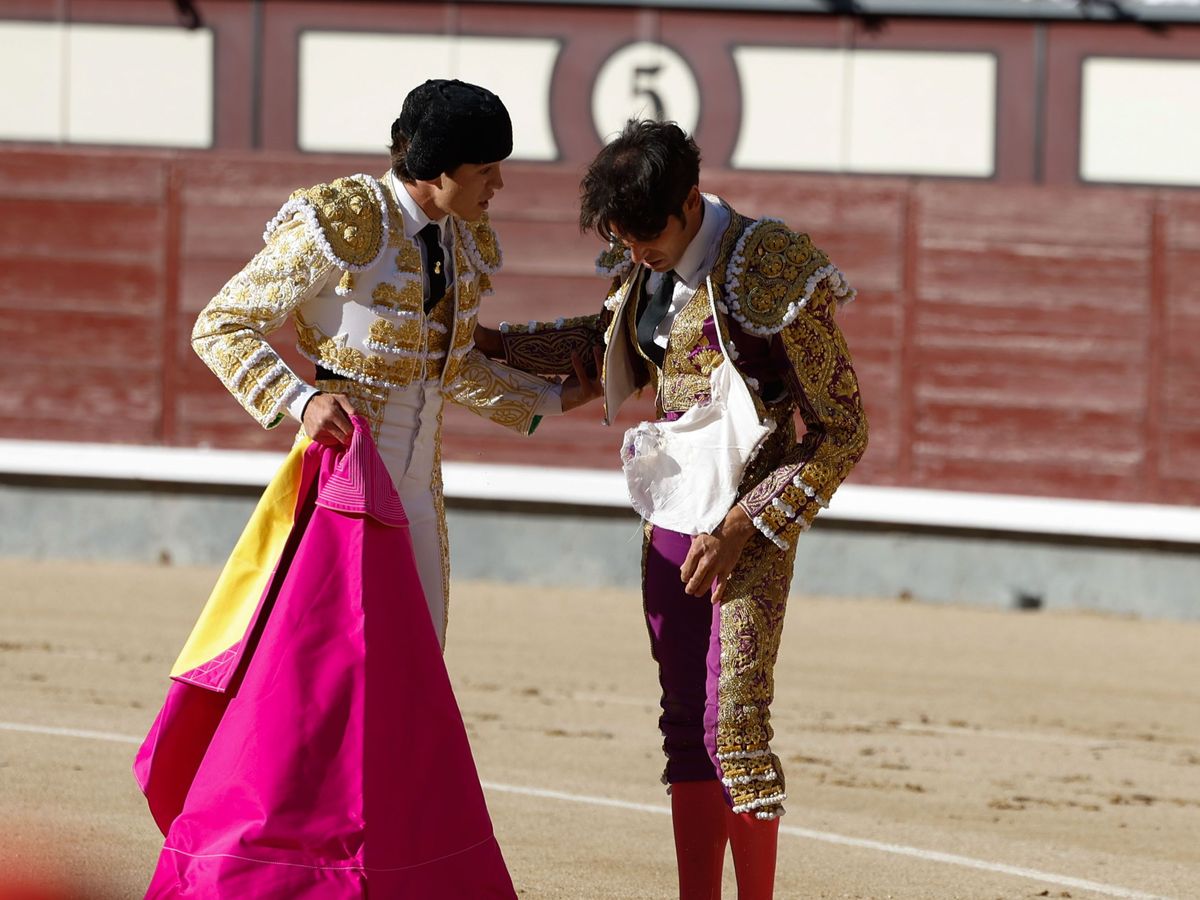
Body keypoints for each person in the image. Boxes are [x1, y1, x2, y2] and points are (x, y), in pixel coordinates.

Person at [134, 79, 575, 897]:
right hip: (343, 493)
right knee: (321, 692)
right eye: (488, 169)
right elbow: (220, 323)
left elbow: (451, 373)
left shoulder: (461, 239)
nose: (499, 187)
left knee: (409, 690)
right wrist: (301, 400)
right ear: (439, 168)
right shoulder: (345, 223)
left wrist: (557, 398)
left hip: (416, 496)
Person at [478, 119, 869, 899]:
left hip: (748, 526)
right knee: (686, 729)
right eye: (622, 238)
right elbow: (595, 354)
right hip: (670, 520)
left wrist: (742, 528)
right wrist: (478, 344)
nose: (635, 252)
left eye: (646, 234)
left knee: (737, 732)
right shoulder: (644, 269)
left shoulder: (770, 266)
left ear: (690, 201)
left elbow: (842, 429)